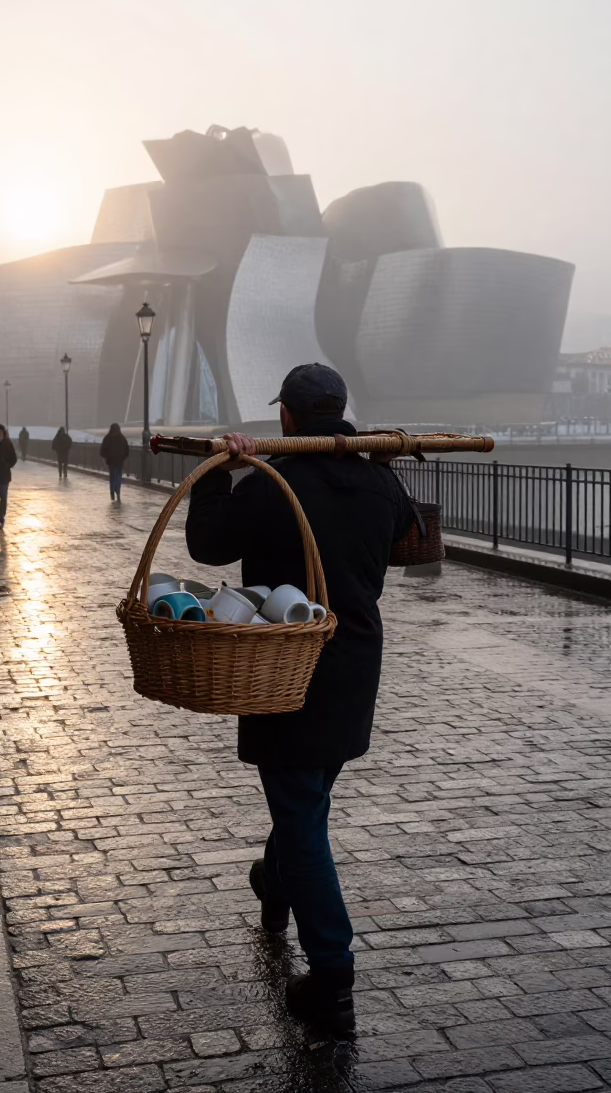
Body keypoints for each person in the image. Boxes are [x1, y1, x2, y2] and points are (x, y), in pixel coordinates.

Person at [185, 364, 414, 1032]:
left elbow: (208, 544)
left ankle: (333, 976)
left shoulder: (273, 483)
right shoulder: (379, 478)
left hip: (287, 664)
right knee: (306, 799)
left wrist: (221, 475)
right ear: (342, 411)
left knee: (302, 817)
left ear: (286, 416)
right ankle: (273, 879)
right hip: (354, 665)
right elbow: (403, 537)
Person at [100, 422, 129, 502]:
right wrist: (123, 457)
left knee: (112, 477)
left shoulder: (107, 438)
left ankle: (112, 492)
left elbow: (102, 450)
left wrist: (107, 457)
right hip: (120, 461)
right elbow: (127, 450)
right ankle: (118, 491)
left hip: (111, 461)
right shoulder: (122, 438)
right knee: (118, 476)